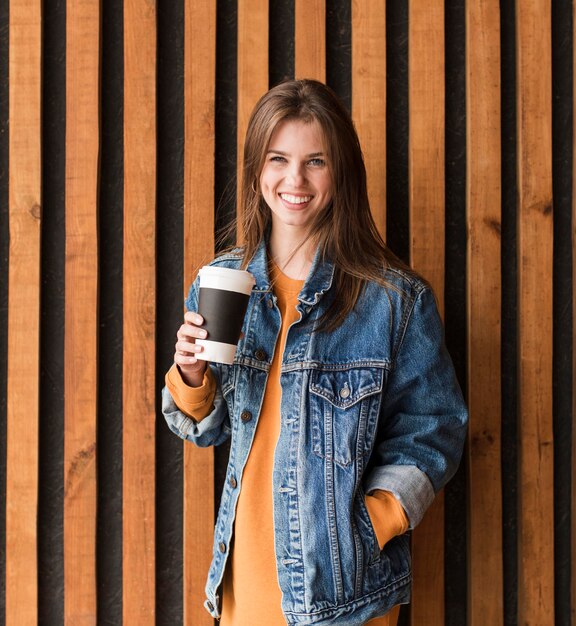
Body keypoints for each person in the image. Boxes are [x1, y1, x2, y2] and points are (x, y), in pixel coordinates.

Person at [162, 79, 467, 626]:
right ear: (258, 170)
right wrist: (191, 374)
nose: (294, 180)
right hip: (244, 582)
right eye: (278, 159)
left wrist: (372, 523)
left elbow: (436, 429)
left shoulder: (394, 300)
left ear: (341, 171)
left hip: (343, 592)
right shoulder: (223, 282)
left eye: (315, 161)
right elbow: (208, 429)